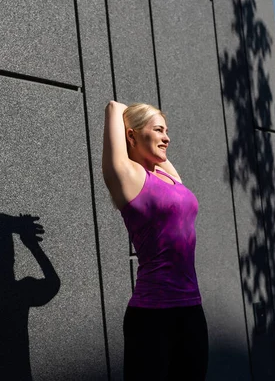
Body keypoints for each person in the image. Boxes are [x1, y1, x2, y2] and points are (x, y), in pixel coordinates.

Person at [102, 101, 208, 380]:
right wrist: (129, 115)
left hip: (191, 308)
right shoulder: (128, 177)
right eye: (159, 130)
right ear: (132, 135)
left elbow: (158, 152)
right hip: (153, 316)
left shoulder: (164, 174)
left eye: (167, 131)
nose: (167, 138)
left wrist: (153, 129)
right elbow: (114, 107)